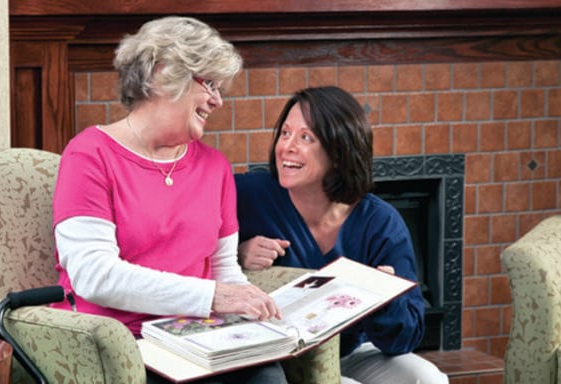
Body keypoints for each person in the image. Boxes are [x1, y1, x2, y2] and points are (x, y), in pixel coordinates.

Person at [50, 16, 287, 383]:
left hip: (198, 339)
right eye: (209, 83)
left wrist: (256, 313)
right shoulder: (90, 155)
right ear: (162, 74)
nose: (218, 101)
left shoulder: (215, 167)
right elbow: (94, 276)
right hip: (121, 346)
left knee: (266, 377)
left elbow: (225, 271)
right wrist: (213, 297)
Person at [235, 86, 449, 384]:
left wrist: (385, 300)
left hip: (354, 352)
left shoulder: (381, 222)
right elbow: (194, 246)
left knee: (426, 379)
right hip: (280, 360)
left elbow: (406, 337)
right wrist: (239, 252)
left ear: (339, 151)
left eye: (306, 137)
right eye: (285, 133)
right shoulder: (249, 195)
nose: (287, 147)